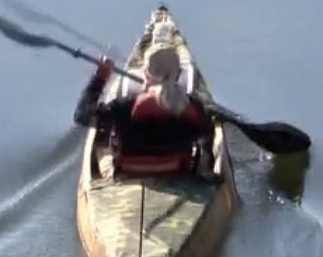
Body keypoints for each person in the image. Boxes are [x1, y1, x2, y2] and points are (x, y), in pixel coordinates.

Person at [73, 43, 219, 181]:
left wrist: (99, 78)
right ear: (178, 74)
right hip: (175, 172)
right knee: (205, 135)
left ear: (146, 74)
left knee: (101, 142)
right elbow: (205, 139)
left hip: (128, 175)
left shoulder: (125, 107)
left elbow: (82, 116)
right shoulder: (193, 107)